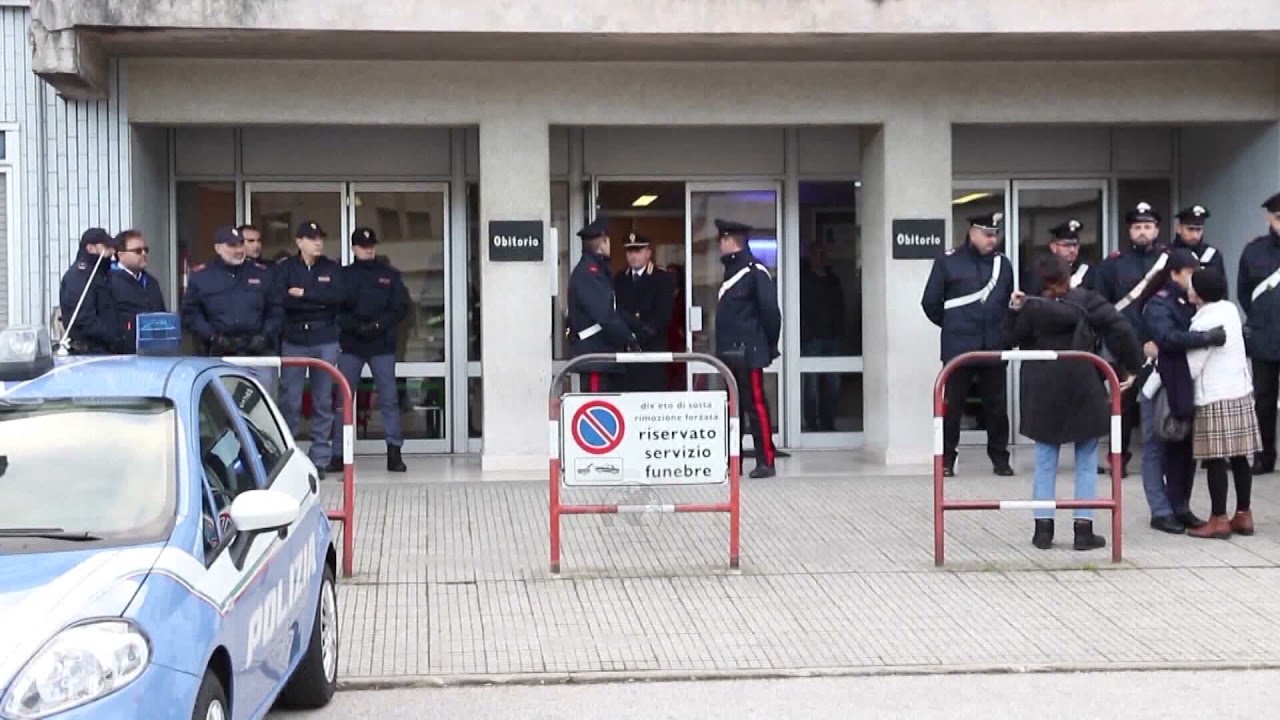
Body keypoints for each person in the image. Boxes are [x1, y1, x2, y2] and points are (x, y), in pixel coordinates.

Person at [1005, 256, 1142, 551]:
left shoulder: (1032, 307)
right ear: (1069, 277)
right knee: (1086, 459)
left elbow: (1010, 337)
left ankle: (1043, 530)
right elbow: (1122, 329)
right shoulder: (1087, 302)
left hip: (1042, 387)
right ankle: (1083, 529)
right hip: (1081, 383)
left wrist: (1015, 309)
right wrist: (1133, 367)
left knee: (1045, 460)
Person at [921, 211, 1015, 477]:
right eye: (987, 234)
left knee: (996, 407)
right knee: (953, 407)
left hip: (993, 345)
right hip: (959, 347)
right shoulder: (948, 261)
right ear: (972, 233)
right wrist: (954, 326)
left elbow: (1006, 302)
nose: (992, 240)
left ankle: (1000, 459)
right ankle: (947, 460)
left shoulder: (1003, 264)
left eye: (995, 235)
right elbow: (930, 302)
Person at [1139, 249, 1227, 534]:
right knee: (1155, 446)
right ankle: (1160, 510)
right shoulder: (1159, 303)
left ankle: (1180, 506)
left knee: (1184, 446)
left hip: (1185, 383)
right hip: (1159, 383)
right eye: (1190, 272)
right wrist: (1205, 338)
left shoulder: (1196, 302)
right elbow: (1167, 338)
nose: (1194, 278)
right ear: (1174, 273)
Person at [1094, 201, 1169, 477]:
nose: (1142, 232)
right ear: (1129, 230)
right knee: (1121, 408)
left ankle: (1161, 460)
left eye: (1148, 226)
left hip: (1159, 345)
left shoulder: (1168, 262)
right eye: (1137, 227)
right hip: (1123, 347)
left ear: (1157, 230)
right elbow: (1101, 303)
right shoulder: (1113, 264)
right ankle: (1118, 458)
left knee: (1160, 405)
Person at [1186, 268, 1262, 539]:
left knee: (1215, 459)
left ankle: (1218, 519)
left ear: (1198, 293)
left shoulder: (1203, 323)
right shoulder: (1230, 310)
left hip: (1214, 395)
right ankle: (1244, 514)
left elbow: (1193, 367)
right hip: (1240, 391)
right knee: (1240, 456)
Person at [334, 227, 410, 473]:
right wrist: (356, 327)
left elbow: (400, 307)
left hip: (381, 344)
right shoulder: (344, 275)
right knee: (343, 400)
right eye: (363, 246)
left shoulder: (389, 275)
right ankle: (338, 453)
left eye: (371, 246)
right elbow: (336, 309)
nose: (368, 249)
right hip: (352, 344)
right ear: (354, 248)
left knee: (389, 400)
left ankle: (394, 452)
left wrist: (377, 325)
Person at [714, 218, 783, 479]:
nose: (719, 245)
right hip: (729, 351)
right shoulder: (732, 270)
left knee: (755, 405)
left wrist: (769, 345)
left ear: (730, 241)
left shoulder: (755, 271)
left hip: (749, 351)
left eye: (722, 239)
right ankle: (733, 461)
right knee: (733, 407)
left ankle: (766, 460)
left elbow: (770, 312)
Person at [277, 221, 347, 477]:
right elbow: (281, 300)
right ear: (299, 242)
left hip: (324, 338)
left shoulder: (332, 268)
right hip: (294, 338)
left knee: (323, 401)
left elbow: (338, 298)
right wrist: (318, 298)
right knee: (290, 400)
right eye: (312, 238)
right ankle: (289, 457)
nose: (318, 242)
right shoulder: (285, 268)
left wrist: (304, 293)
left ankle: (320, 459)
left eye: (320, 238)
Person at [181, 224, 283, 362]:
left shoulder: (262, 273)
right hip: (217, 354)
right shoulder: (202, 276)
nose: (239, 250)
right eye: (232, 245)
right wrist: (212, 337)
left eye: (241, 244)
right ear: (218, 248)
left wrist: (265, 336)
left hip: (258, 352)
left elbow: (276, 309)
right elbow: (191, 313)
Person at [567, 215, 638, 392]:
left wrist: (636, 326)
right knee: (597, 405)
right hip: (595, 356)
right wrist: (628, 337)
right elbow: (604, 315)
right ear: (603, 243)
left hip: (601, 354)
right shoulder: (589, 274)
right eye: (608, 241)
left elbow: (611, 309)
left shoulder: (597, 271)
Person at [1237, 192, 1280, 475]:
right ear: (1269, 219)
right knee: (1263, 402)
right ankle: (1264, 458)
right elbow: (1244, 293)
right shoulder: (1254, 251)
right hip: (1265, 338)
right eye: (1279, 218)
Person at [613, 233, 674, 392]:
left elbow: (663, 315)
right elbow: (617, 311)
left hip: (651, 350)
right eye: (630, 251)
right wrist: (628, 336)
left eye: (638, 251)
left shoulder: (662, 278)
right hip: (627, 351)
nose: (633, 256)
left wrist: (641, 333)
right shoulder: (619, 279)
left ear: (648, 252)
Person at [800, 240, 846, 432]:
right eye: (816, 254)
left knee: (833, 384)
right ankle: (811, 424)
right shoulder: (803, 280)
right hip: (812, 339)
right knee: (811, 385)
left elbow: (840, 308)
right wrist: (807, 334)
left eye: (822, 254)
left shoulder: (832, 280)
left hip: (832, 338)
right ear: (810, 257)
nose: (820, 258)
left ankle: (828, 423)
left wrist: (840, 333)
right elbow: (800, 310)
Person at [58, 227, 120, 355]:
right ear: (91, 248)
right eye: (106, 247)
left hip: (103, 349)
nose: (112, 252)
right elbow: (82, 318)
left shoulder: (100, 275)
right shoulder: (80, 276)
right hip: (89, 352)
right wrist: (113, 336)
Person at [109, 229, 167, 354]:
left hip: (154, 351)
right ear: (121, 255)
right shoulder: (109, 281)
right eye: (138, 251)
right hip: (123, 354)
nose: (144, 254)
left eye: (146, 250)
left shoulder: (151, 282)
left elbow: (161, 313)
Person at [1022, 219, 1094, 297]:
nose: (1072, 250)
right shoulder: (1041, 269)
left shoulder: (1087, 269)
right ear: (1053, 247)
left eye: (1075, 245)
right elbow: (1032, 297)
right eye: (1066, 245)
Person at [1172, 205, 1226, 281]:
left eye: (1198, 230)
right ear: (1179, 228)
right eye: (1190, 229)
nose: (1195, 235)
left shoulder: (1213, 255)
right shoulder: (1168, 254)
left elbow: (1220, 286)